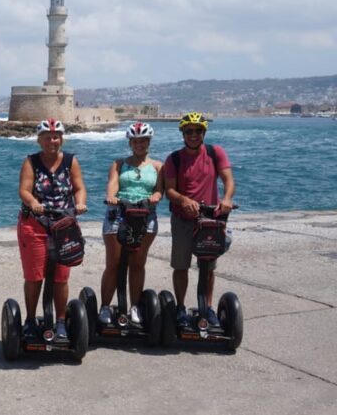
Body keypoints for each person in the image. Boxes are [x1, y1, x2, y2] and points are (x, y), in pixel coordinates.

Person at [17, 118, 88, 338]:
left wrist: (80, 203)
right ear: (39, 140)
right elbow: (24, 190)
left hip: (63, 225)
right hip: (35, 224)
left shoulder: (70, 161)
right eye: (47, 137)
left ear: (62, 139)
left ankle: (60, 321)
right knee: (35, 275)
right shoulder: (31, 162)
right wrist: (34, 203)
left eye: (56, 136)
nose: (52, 141)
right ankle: (30, 320)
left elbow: (79, 188)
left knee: (60, 276)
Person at [164, 112, 234, 328]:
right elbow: (169, 190)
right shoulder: (174, 158)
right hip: (183, 219)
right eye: (189, 131)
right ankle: (181, 307)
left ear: (204, 132)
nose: (193, 135)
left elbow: (228, 179)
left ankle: (207, 307)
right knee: (181, 265)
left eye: (198, 131)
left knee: (208, 266)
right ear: (183, 133)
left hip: (210, 218)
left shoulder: (215, 153)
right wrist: (184, 200)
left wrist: (227, 198)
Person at [99, 122, 163, 325]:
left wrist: (156, 196)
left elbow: (160, 189)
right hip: (118, 214)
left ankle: (135, 306)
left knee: (137, 264)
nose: (139, 144)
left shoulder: (157, 166)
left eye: (143, 140)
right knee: (114, 263)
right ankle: (106, 306)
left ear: (148, 142)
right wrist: (111, 196)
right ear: (130, 143)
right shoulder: (119, 164)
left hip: (145, 216)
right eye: (135, 141)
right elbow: (112, 184)